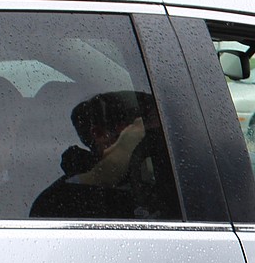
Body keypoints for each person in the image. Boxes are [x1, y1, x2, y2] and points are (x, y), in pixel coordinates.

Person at [30, 90, 175, 219]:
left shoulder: (166, 176)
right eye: (144, 131)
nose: (155, 139)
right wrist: (123, 153)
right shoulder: (60, 201)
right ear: (99, 134)